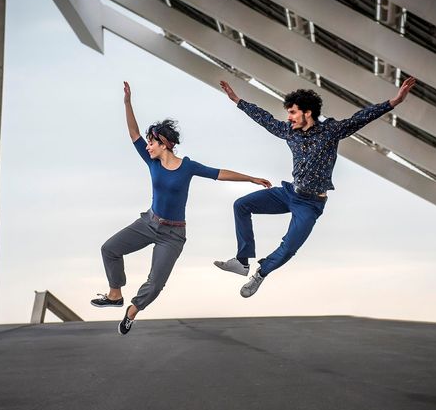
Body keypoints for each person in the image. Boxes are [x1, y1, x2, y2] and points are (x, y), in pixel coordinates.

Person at [92, 82, 272, 335]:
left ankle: (132, 311)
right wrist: (127, 103)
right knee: (109, 249)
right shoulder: (151, 161)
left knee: (155, 285)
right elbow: (133, 133)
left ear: (163, 143)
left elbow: (219, 173)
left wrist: (251, 178)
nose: (147, 146)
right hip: (148, 223)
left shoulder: (188, 167)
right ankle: (114, 294)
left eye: (151, 143)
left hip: (173, 235)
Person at [214, 77, 417, 297]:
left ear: (307, 112)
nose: (289, 117)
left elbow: (360, 118)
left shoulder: (330, 131)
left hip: (310, 204)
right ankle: (242, 262)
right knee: (241, 205)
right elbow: (265, 118)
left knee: (289, 247)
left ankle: (261, 273)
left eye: (292, 112)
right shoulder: (289, 131)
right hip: (288, 193)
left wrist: (394, 102)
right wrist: (237, 101)